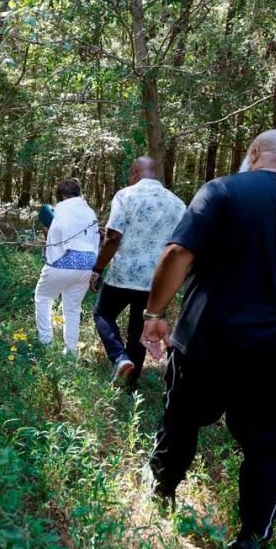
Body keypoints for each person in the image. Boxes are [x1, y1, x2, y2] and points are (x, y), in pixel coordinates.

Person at [139, 130, 276, 549]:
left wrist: (155, 311)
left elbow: (177, 253)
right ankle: (250, 546)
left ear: (254, 154)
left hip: (205, 341)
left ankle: (162, 492)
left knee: (180, 419)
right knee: (265, 448)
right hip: (273, 352)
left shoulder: (222, 190)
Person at [91, 156, 186, 389]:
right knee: (140, 328)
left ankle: (120, 358)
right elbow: (181, 248)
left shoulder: (126, 195)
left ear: (134, 172)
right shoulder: (177, 203)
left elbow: (113, 237)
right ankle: (131, 383)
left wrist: (97, 268)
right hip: (158, 280)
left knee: (102, 313)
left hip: (124, 274)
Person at [33, 180, 100, 355]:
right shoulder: (90, 211)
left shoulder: (61, 210)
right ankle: (70, 352)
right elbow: (95, 240)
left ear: (61, 196)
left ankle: (45, 341)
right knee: (72, 308)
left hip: (65, 261)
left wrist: (47, 236)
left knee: (43, 297)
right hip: (88, 264)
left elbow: (56, 239)